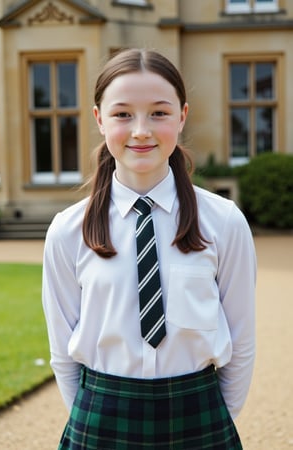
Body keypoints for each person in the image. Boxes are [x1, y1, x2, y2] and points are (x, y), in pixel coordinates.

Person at [42, 48, 256, 449]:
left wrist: (219, 416)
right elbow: (62, 349)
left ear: (182, 116)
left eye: (159, 112)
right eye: (123, 114)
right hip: (100, 420)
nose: (141, 130)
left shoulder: (224, 222)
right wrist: (90, 415)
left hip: (199, 418)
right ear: (99, 119)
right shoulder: (68, 231)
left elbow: (241, 340)